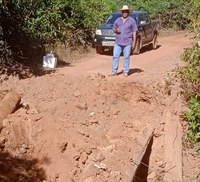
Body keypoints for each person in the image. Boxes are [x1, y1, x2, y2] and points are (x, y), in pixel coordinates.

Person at [110, 5, 138, 77]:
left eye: (126, 11)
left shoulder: (132, 21)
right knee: (115, 56)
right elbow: (113, 29)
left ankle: (125, 71)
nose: (124, 13)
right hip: (118, 42)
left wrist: (134, 42)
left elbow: (134, 32)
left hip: (127, 42)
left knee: (126, 57)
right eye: (123, 11)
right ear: (121, 12)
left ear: (128, 12)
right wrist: (116, 30)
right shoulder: (118, 20)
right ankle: (114, 71)